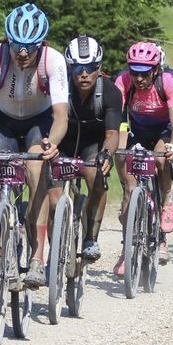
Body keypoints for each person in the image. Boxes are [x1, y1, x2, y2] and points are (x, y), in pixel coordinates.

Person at [0, 3, 69, 288]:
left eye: (31, 46)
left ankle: (38, 257)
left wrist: (52, 143)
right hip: (2, 121)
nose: (23, 53)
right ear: (8, 39)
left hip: (37, 123)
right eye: (17, 45)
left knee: (35, 169)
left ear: (42, 44)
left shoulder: (53, 61)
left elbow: (62, 116)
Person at [114, 41, 173, 271]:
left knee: (161, 159)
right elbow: (115, 118)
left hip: (162, 131)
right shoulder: (123, 81)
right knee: (128, 187)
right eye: (134, 72)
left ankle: (166, 203)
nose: (139, 78)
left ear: (155, 70)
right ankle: (127, 250)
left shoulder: (167, 83)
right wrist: (115, 148)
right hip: (137, 131)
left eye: (144, 74)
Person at [53, 35, 123, 262]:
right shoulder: (58, 89)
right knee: (52, 194)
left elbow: (112, 135)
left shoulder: (111, 92)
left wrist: (107, 154)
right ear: (69, 68)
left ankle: (91, 237)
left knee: (97, 177)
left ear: (99, 68)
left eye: (90, 67)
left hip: (92, 145)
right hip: (64, 144)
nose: (84, 74)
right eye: (77, 68)